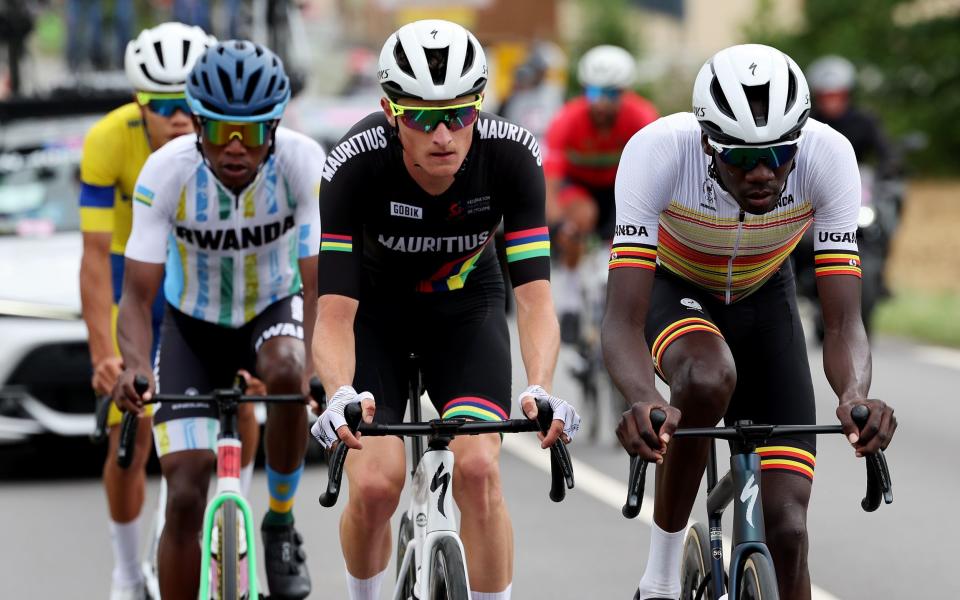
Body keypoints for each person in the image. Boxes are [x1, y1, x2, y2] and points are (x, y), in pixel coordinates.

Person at [601, 44, 897, 600]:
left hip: (766, 296)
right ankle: (661, 577)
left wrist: (855, 394)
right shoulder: (656, 152)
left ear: (800, 139)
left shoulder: (829, 156)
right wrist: (644, 396)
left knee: (788, 532)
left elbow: (842, 321)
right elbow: (622, 318)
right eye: (739, 158)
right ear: (707, 142)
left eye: (779, 153)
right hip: (676, 286)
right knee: (707, 376)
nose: (762, 172)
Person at [309, 19, 580, 600]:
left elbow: (533, 299)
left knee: (479, 470)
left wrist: (539, 385)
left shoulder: (511, 156)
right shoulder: (353, 164)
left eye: (459, 114)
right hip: (374, 316)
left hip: (466, 310)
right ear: (390, 112)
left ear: (478, 109)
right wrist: (337, 392)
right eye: (422, 117)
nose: (443, 135)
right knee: (378, 485)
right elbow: (332, 313)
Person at [111, 39, 322, 599]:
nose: (234, 148)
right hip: (192, 330)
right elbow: (135, 296)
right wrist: (134, 366)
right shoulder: (166, 171)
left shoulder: (302, 162)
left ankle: (278, 521)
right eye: (220, 130)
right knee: (183, 491)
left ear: (273, 129)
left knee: (289, 365)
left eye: (251, 133)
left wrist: (324, 368)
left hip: (271, 310)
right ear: (197, 124)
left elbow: (319, 279)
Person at [77, 22, 259, 600]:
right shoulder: (109, 140)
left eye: (187, 103)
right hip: (138, 293)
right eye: (161, 105)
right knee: (123, 435)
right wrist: (104, 354)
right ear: (138, 103)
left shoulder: (236, 140)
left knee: (243, 402)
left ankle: (237, 513)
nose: (178, 117)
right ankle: (128, 572)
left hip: (210, 288)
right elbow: (93, 255)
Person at [543, 44, 658, 329]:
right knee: (581, 217)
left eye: (612, 94)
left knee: (623, 232)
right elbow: (550, 183)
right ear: (584, 90)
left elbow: (657, 173)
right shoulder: (567, 120)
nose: (602, 104)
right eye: (595, 93)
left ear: (625, 92)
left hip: (620, 185)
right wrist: (557, 223)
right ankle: (569, 299)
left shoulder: (642, 116)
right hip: (578, 185)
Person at [807, 55, 899, 178]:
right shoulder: (808, 123)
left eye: (837, 95)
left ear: (847, 94)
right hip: (816, 179)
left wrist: (889, 166)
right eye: (825, 96)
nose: (831, 102)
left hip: (859, 181)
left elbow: (886, 150)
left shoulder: (864, 120)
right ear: (817, 97)